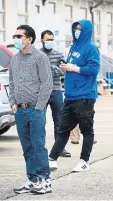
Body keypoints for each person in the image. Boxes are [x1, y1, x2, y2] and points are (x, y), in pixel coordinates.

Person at [48, 20, 100, 172]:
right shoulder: (73, 47)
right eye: (75, 28)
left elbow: (93, 69)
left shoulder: (91, 48)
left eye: (80, 29)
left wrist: (74, 68)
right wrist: (65, 67)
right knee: (63, 129)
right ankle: (52, 159)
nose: (77, 31)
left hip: (84, 96)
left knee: (86, 130)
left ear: (86, 30)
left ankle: (84, 161)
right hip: (70, 95)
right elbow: (72, 66)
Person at [9, 25, 53, 194]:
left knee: (38, 145)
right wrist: (12, 102)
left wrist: (39, 106)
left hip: (35, 109)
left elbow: (47, 84)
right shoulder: (14, 59)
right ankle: (32, 179)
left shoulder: (40, 57)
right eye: (15, 35)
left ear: (29, 39)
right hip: (20, 110)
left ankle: (45, 181)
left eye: (19, 36)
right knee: (27, 147)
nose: (16, 39)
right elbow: (11, 83)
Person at [40, 30, 71, 158]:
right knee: (40, 121)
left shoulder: (58, 54)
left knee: (59, 120)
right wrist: (53, 69)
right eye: (48, 39)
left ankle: (60, 148)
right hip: (41, 92)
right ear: (42, 40)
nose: (50, 42)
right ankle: (40, 148)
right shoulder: (37, 55)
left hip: (57, 90)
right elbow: (38, 73)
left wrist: (49, 67)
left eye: (52, 39)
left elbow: (63, 71)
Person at [64, 42, 97, 145]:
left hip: (86, 89)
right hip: (73, 88)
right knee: (74, 114)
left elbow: (93, 69)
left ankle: (87, 135)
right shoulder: (68, 50)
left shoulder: (90, 49)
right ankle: (75, 137)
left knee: (86, 115)